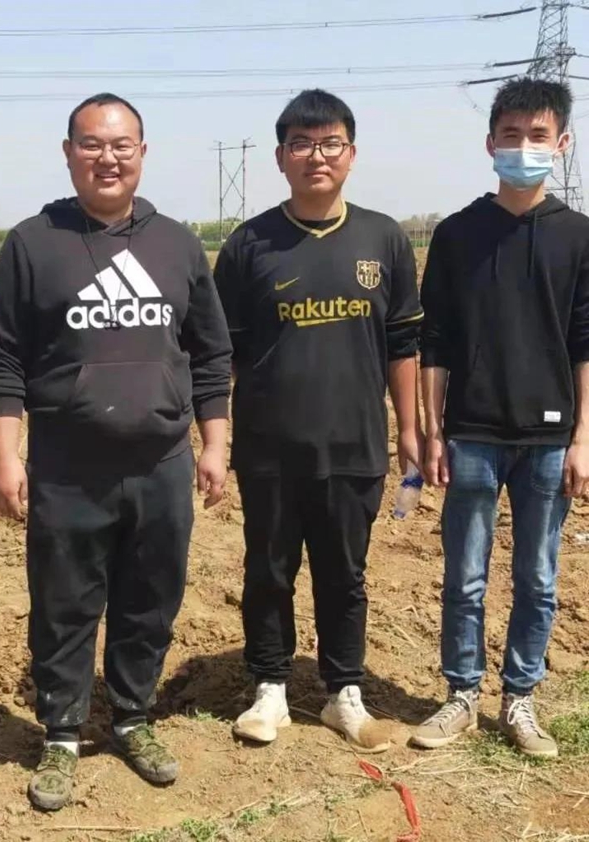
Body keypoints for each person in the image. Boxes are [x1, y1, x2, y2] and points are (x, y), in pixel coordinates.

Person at [0, 92, 232, 810]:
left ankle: (131, 718)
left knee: (150, 599)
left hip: (161, 464)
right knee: (63, 604)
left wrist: (214, 443)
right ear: (69, 154)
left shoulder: (176, 244)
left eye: (122, 145)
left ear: (142, 153)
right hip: (68, 468)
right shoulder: (34, 243)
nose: (108, 157)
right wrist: (6, 457)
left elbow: (211, 355)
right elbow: (3, 361)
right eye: (91, 144)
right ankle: (61, 734)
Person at [214, 89, 423, 751]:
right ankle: (270, 688)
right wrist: (217, 438)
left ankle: (343, 693)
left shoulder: (383, 238)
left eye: (330, 143)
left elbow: (403, 344)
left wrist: (409, 430)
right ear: (280, 157)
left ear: (351, 154)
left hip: (354, 444)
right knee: (268, 569)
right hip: (270, 447)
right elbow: (223, 354)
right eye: (301, 144)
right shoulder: (249, 245)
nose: (316, 156)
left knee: (345, 574)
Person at [413, 77, 589, 758]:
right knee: (465, 575)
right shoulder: (458, 234)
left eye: (538, 135)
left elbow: (584, 342)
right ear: (490, 143)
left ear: (562, 143)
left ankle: (520, 698)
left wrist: (583, 437)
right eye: (511, 135)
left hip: (549, 440)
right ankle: (462, 693)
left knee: (538, 578)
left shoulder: (577, 236)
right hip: (472, 433)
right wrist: (433, 430)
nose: (524, 147)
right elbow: (435, 341)